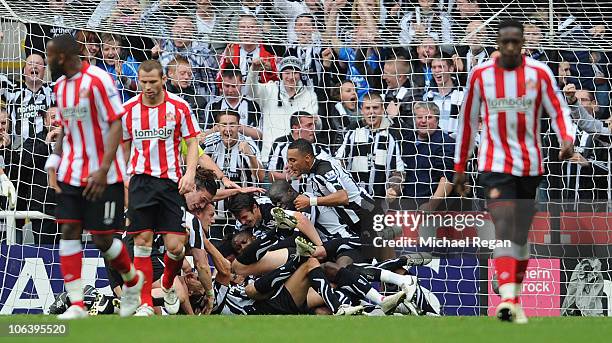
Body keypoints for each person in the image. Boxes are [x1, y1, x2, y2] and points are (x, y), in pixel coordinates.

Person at [453, 19, 575, 324]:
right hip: (493, 165)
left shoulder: (539, 73)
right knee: (505, 224)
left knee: (519, 236)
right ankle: (507, 299)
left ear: (522, 43)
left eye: (514, 42)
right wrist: (460, 168)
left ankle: (513, 296)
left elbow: (558, 109)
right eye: (504, 41)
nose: (509, 47)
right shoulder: (481, 75)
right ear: (497, 42)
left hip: (530, 165)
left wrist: (567, 138)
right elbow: (467, 122)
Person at [44, 34, 143, 319]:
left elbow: (115, 124)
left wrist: (103, 168)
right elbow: (66, 126)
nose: (48, 60)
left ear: (63, 56)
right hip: (71, 173)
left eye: (50, 55)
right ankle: (77, 304)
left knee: (102, 239)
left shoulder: (99, 80)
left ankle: (132, 281)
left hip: (104, 175)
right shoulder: (60, 87)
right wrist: (55, 159)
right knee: (69, 230)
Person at [122, 60, 201, 317]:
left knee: (176, 247)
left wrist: (190, 173)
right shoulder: (127, 110)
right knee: (142, 243)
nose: (147, 87)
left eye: (152, 82)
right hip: (140, 182)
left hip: (170, 183)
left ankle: (167, 283)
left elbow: (192, 141)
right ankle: (145, 303)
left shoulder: (179, 107)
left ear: (163, 80)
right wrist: (123, 176)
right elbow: (121, 146)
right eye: (143, 82)